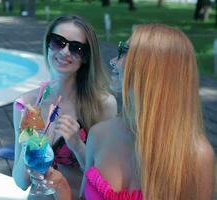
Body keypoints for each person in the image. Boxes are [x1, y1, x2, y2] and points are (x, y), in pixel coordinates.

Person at [52, 24, 215, 200]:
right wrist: (62, 188)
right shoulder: (99, 134)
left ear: (152, 69)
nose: (113, 60)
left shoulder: (196, 156)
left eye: (124, 51)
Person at [12, 15, 117, 199]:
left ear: (86, 57)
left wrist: (77, 146)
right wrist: (29, 142)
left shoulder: (102, 105)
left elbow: (108, 180)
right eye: (58, 42)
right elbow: (21, 183)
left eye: (76, 48)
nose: (65, 52)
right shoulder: (26, 104)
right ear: (47, 44)